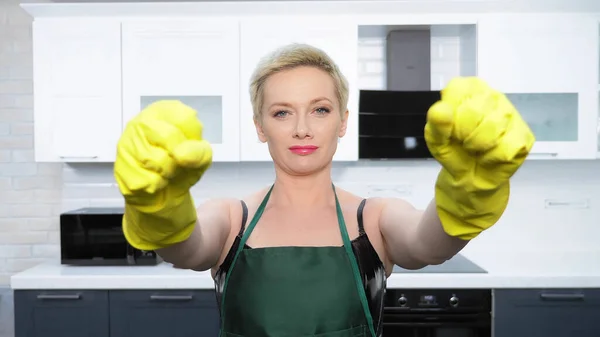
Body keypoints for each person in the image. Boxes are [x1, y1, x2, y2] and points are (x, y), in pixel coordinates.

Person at [114, 43, 535, 337]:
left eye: (320, 109)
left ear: (343, 121)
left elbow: (427, 245)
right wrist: (158, 206)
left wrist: (472, 191)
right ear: (260, 127)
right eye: (282, 112)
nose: (302, 128)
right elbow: (186, 249)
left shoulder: (373, 217)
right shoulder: (229, 218)